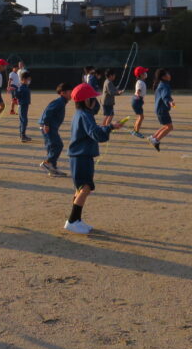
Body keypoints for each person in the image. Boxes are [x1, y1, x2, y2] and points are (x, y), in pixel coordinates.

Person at [65, 83, 118, 234]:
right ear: (86, 101)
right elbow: (96, 134)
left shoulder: (80, 114)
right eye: (93, 99)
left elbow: (92, 131)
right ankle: (72, 221)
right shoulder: (85, 115)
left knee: (80, 188)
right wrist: (110, 127)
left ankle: (76, 220)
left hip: (80, 155)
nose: (95, 102)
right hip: (81, 156)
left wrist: (109, 127)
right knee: (85, 187)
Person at [38, 82, 72, 177]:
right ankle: (48, 163)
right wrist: (46, 124)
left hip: (49, 126)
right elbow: (48, 112)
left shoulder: (62, 102)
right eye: (70, 92)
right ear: (63, 93)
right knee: (58, 145)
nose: (71, 94)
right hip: (48, 126)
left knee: (51, 146)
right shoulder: (59, 102)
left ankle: (52, 168)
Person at [149, 68, 174, 151]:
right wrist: (170, 102)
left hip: (159, 109)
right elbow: (165, 97)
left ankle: (153, 137)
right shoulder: (164, 85)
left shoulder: (161, 84)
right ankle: (156, 140)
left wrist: (169, 100)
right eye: (167, 74)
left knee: (166, 126)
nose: (169, 75)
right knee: (170, 127)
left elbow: (165, 96)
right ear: (163, 77)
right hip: (162, 110)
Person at [130, 66, 149, 138]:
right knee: (141, 117)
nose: (145, 74)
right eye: (144, 72)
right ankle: (136, 132)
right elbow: (138, 91)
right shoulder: (140, 82)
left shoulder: (140, 82)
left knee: (140, 116)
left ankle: (134, 130)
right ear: (140, 75)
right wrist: (138, 96)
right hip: (137, 100)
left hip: (137, 101)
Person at [17, 70, 32, 142]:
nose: (29, 80)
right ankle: (23, 135)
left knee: (22, 120)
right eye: (28, 79)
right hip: (22, 105)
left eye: (29, 79)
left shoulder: (25, 86)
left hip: (25, 105)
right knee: (24, 120)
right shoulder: (22, 87)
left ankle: (22, 135)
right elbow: (17, 95)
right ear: (23, 80)